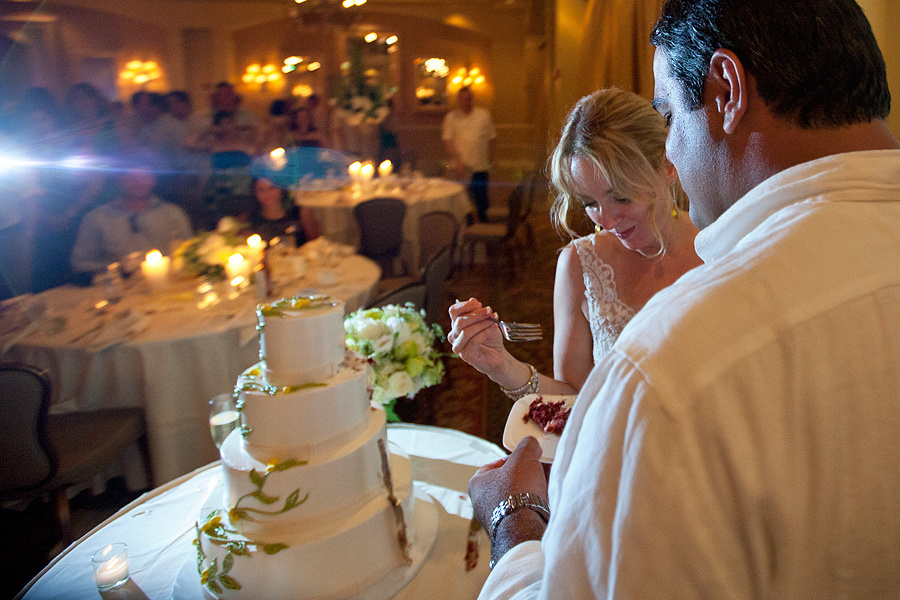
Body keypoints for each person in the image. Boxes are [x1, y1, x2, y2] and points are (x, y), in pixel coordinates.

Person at [469, 1, 900, 598]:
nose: (670, 149)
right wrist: (508, 368)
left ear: (726, 91)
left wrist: (513, 522)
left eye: (669, 116)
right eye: (591, 203)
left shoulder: (671, 369)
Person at [448, 88, 701, 398]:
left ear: (667, 166)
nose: (606, 221)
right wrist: (501, 366)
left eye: (621, 196)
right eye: (589, 202)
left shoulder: (720, 249)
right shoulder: (580, 264)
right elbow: (571, 395)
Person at [70, 152, 192, 275]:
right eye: (130, 177)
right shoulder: (97, 218)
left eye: (144, 177)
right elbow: (81, 264)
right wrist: (119, 268)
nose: (138, 183)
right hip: (121, 284)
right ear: (119, 180)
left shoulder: (172, 213)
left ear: (153, 179)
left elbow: (190, 252)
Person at [443, 86, 496, 222]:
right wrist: (457, 161)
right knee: (463, 203)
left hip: (480, 166)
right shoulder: (451, 117)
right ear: (458, 100)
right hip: (461, 168)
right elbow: (448, 140)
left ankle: (483, 227)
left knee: (482, 200)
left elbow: (492, 138)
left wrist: (491, 157)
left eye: (468, 98)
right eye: (462, 99)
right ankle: (467, 229)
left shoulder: (484, 115)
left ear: (472, 99)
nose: (465, 102)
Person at [249, 177, 320, 246]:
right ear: (255, 192)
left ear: (281, 189)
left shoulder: (300, 211)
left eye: (272, 188)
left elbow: (317, 242)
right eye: (261, 190)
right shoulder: (251, 219)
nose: (267, 193)